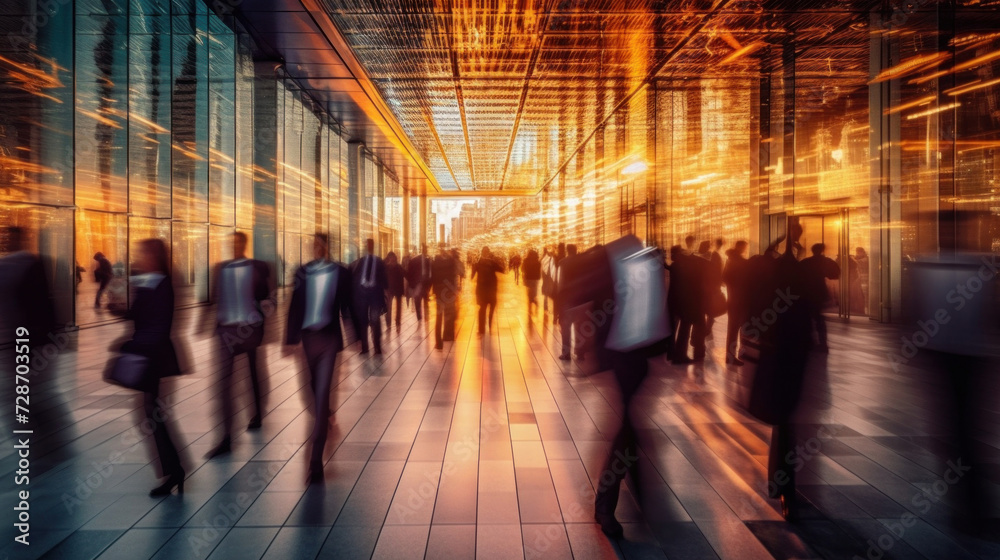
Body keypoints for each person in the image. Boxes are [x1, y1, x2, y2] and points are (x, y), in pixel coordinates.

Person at [590, 235, 670, 538]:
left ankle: (634, 494)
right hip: (623, 356)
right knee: (627, 432)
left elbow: (660, 307)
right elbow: (597, 306)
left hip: (638, 357)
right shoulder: (613, 263)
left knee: (630, 429)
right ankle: (606, 506)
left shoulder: (651, 263)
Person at [285, 233, 353, 483]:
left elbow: (347, 306)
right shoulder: (301, 272)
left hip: (329, 340)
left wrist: (355, 336)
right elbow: (294, 306)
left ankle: (316, 462)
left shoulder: (341, 273)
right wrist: (290, 340)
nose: (315, 248)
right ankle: (327, 414)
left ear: (327, 247)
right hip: (307, 339)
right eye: (313, 245)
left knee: (322, 393)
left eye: (319, 245)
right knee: (309, 396)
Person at [121, 239, 186, 496]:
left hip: (155, 357)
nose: (140, 257)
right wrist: (120, 310)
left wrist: (140, 345)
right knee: (151, 413)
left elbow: (161, 325)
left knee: (151, 413)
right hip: (149, 354)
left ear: (155, 256)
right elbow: (136, 315)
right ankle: (175, 469)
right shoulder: (145, 282)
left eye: (144, 252)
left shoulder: (162, 284)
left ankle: (174, 470)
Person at [204, 232, 273, 459]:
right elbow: (213, 298)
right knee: (223, 383)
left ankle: (257, 413)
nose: (233, 245)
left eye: (237, 242)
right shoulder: (220, 269)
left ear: (244, 244)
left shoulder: (257, 266)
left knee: (253, 373)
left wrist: (266, 322)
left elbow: (267, 296)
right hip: (225, 331)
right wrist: (205, 322)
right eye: (230, 242)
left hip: (249, 328)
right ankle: (225, 437)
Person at [799, 243, 840, 352]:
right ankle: (822, 343)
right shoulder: (825, 262)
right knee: (818, 318)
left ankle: (810, 341)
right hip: (818, 292)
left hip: (806, 292)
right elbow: (835, 274)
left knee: (808, 317)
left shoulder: (806, 262)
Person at [670, 245, 708, 363]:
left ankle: (678, 354)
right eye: (682, 252)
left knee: (681, 329)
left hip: (680, 303)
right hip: (685, 303)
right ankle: (680, 355)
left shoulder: (675, 265)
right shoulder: (679, 266)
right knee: (684, 329)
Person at [352, 238, 388, 355]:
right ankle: (365, 347)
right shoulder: (361, 261)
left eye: (369, 245)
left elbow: (384, 278)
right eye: (367, 245)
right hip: (362, 295)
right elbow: (355, 276)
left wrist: (386, 292)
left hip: (375, 295)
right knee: (363, 321)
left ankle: (377, 347)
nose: (368, 247)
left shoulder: (379, 261)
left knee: (375, 320)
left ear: (372, 246)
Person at [557, 244, 587, 360]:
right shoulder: (583, 261)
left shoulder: (562, 263)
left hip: (567, 299)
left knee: (566, 327)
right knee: (580, 327)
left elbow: (560, 283)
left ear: (567, 251)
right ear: (576, 250)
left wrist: (559, 300)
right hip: (580, 298)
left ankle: (566, 353)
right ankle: (580, 353)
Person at [722, 240, 750, 365]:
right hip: (739, 300)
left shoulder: (730, 260)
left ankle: (731, 355)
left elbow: (724, 278)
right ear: (740, 247)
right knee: (738, 328)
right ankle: (734, 355)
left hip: (733, 299)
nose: (745, 249)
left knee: (733, 329)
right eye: (744, 247)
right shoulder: (739, 262)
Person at [431, 244, 460, 349]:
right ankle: (449, 336)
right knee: (449, 314)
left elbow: (432, 277)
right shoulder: (451, 261)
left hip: (439, 292)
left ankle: (439, 343)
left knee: (439, 317)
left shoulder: (435, 262)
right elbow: (454, 276)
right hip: (448, 291)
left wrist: (432, 290)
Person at [471, 246, 503, 334]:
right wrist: (497, 259)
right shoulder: (492, 263)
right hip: (491, 290)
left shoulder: (478, 263)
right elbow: (502, 269)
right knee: (491, 309)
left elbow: (471, 276)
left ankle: (481, 330)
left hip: (481, 290)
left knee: (482, 310)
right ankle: (489, 324)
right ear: (488, 253)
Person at [406, 244, 432, 321]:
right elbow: (410, 273)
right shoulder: (415, 260)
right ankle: (419, 316)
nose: (425, 250)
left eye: (426, 249)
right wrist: (411, 284)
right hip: (418, 283)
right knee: (418, 299)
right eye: (425, 249)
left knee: (425, 299)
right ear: (422, 249)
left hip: (425, 283)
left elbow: (430, 272)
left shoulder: (428, 260)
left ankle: (425, 316)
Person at [384, 251, 405, 332]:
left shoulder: (396, 267)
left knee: (394, 307)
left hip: (395, 290)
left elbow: (405, 274)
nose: (392, 260)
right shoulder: (388, 267)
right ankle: (391, 323)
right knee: (389, 307)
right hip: (391, 290)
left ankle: (396, 323)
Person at [522, 249, 542, 313]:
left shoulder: (526, 260)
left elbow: (523, 269)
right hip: (535, 280)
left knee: (529, 294)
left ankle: (531, 307)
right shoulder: (538, 262)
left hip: (528, 279)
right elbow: (539, 272)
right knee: (533, 294)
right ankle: (533, 304)